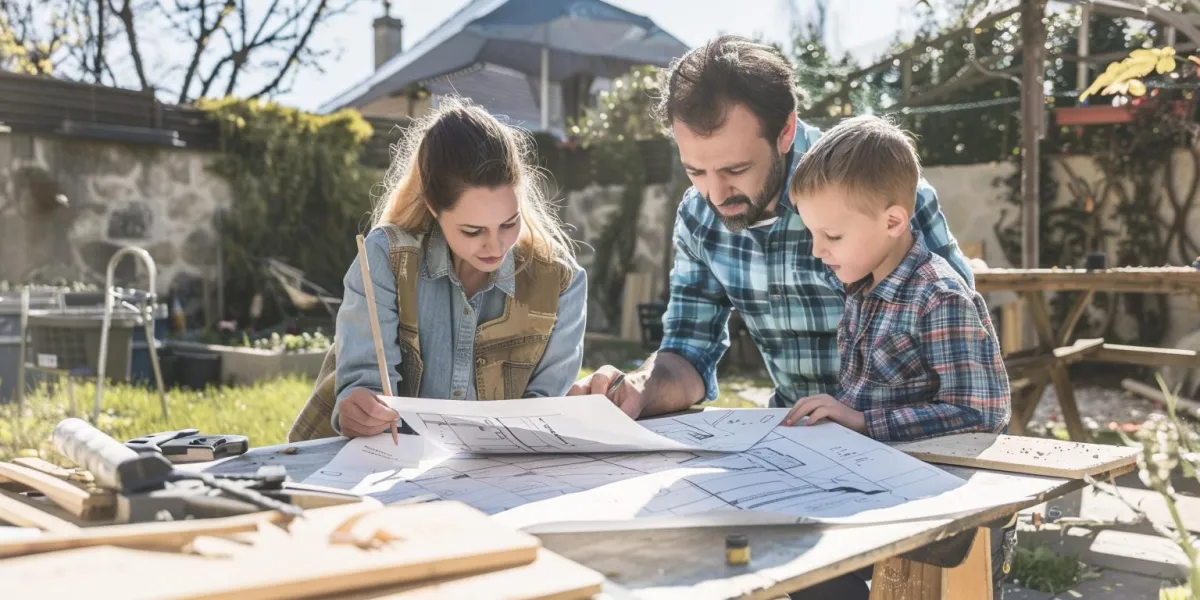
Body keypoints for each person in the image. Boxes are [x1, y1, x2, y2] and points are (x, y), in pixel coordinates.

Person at [567, 36, 1014, 599]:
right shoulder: (699, 216)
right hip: (796, 448)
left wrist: (870, 422)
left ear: (785, 131)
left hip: (914, 452)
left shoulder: (875, 187)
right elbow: (688, 351)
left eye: (733, 168)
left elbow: (961, 347)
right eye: (695, 171)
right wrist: (635, 389)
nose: (715, 193)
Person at [288, 97, 587, 442]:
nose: (496, 247)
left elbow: (544, 414)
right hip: (371, 471)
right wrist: (358, 408)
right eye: (472, 231)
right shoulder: (385, 259)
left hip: (495, 480)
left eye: (510, 223)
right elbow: (363, 382)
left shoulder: (562, 284)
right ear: (433, 208)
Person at [781, 114, 1011, 440]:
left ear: (892, 223)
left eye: (832, 236)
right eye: (812, 234)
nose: (817, 251)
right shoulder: (860, 287)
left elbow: (980, 413)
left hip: (931, 476)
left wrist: (863, 421)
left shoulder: (939, 298)